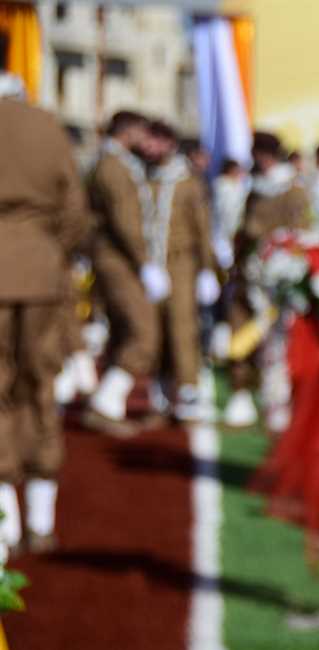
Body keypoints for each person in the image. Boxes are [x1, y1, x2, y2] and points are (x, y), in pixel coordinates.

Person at [0, 88, 91, 552]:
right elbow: (74, 209)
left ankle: (5, 525)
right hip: (40, 271)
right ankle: (40, 518)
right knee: (39, 384)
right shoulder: (45, 125)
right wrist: (49, 251)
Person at [85, 110, 168, 435]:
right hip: (118, 258)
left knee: (124, 330)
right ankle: (105, 401)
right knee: (144, 333)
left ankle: (110, 403)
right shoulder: (114, 166)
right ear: (127, 131)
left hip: (118, 257)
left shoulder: (115, 163)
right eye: (140, 132)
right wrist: (145, 262)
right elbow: (125, 220)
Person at [223, 131, 310, 429]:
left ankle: (277, 400)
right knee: (241, 331)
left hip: (279, 279)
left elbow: (301, 232)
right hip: (249, 274)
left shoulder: (293, 189)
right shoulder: (255, 188)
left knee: (278, 342)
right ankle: (241, 392)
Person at [145, 121, 218, 420]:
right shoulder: (146, 178)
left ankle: (188, 387)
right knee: (154, 326)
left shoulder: (187, 181)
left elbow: (202, 226)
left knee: (182, 324)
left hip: (182, 261)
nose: (153, 147)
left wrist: (207, 269)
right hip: (152, 262)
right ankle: (160, 389)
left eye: (159, 141)